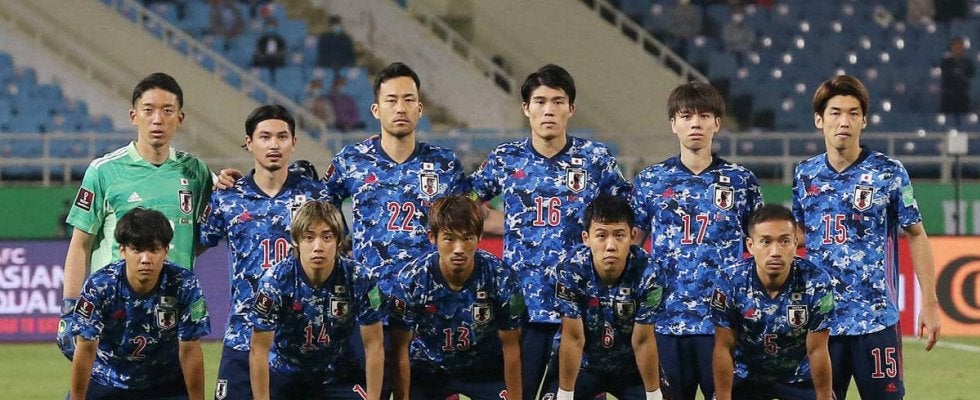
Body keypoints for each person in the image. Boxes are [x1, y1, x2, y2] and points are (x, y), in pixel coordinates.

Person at [468, 64, 631, 399]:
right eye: (540, 101)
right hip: (521, 307)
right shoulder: (506, 158)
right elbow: (464, 203)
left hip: (581, 307)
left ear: (571, 109)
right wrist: (501, 222)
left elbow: (629, 213)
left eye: (558, 102)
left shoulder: (594, 158)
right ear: (526, 108)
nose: (549, 110)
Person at [792, 75, 940, 400]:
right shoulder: (805, 174)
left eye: (853, 113)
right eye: (835, 112)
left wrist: (929, 303)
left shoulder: (888, 172)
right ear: (819, 120)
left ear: (864, 121)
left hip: (875, 321)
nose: (844, 121)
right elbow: (800, 235)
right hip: (821, 322)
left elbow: (916, 234)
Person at [59, 72, 213, 360]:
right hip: (114, 314)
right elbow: (80, 245)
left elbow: (202, 236)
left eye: (167, 111)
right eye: (148, 110)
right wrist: (70, 307)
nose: (157, 120)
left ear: (180, 118)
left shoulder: (197, 172)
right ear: (134, 116)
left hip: (171, 313)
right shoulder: (104, 171)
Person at [630, 81, 762, 400]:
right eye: (686, 116)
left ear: (717, 123)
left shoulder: (741, 182)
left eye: (704, 116)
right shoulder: (651, 181)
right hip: (666, 323)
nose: (695, 124)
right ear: (673, 124)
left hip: (723, 325)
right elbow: (631, 248)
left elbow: (760, 247)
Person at [199, 105, 328, 400]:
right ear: (249, 142)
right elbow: (201, 241)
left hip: (299, 339)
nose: (274, 145)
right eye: (265, 137)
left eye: (282, 137)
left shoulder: (315, 196)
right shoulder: (228, 197)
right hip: (243, 337)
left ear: (293, 142)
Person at [387, 195, 523, 400]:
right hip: (427, 370)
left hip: (484, 371)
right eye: (449, 239)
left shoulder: (501, 276)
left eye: (467, 238)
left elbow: (511, 346)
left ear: (479, 237)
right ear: (432, 237)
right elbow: (400, 349)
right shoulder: (411, 279)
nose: (459, 249)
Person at [69, 207, 211, 400]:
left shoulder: (184, 284)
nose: (145, 259)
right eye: (137, 250)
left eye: (154, 250)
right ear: (122, 251)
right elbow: (86, 347)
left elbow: (190, 349)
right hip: (106, 378)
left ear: (166, 251)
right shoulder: (100, 285)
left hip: (165, 382)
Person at [248, 200, 384, 400]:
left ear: (339, 241)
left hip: (338, 377)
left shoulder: (359, 278)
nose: (318, 247)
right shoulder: (275, 281)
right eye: (309, 237)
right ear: (296, 241)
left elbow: (374, 345)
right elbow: (259, 350)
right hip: (285, 376)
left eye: (327, 237)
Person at [710, 204, 834, 400]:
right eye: (765, 242)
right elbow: (724, 347)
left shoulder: (816, 281)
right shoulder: (729, 281)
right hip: (746, 378)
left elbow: (817, 349)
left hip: (800, 378)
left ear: (796, 243)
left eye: (784, 241)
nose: (775, 251)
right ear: (750, 245)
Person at [553, 194, 665, 400]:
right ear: (586, 238)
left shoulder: (650, 273)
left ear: (633, 236)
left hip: (632, 369)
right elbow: (573, 338)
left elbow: (643, 340)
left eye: (619, 235)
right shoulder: (570, 270)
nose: (611, 246)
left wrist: (653, 395)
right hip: (583, 366)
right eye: (601, 236)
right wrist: (565, 395)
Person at [940, 37, 975, 128]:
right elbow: (946, 77)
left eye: (960, 47)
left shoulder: (968, 63)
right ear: (952, 48)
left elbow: (971, 76)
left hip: (963, 96)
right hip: (949, 96)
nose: (958, 49)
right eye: (956, 47)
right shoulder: (946, 63)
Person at [252, 18, 287, 83]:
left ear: (276, 27)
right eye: (269, 26)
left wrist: (276, 55)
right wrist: (264, 56)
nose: (271, 28)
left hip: (276, 60)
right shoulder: (261, 39)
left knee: (277, 62)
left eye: (273, 26)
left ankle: (274, 79)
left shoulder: (280, 40)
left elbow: (283, 51)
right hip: (264, 59)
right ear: (266, 27)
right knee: (255, 61)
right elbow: (258, 51)